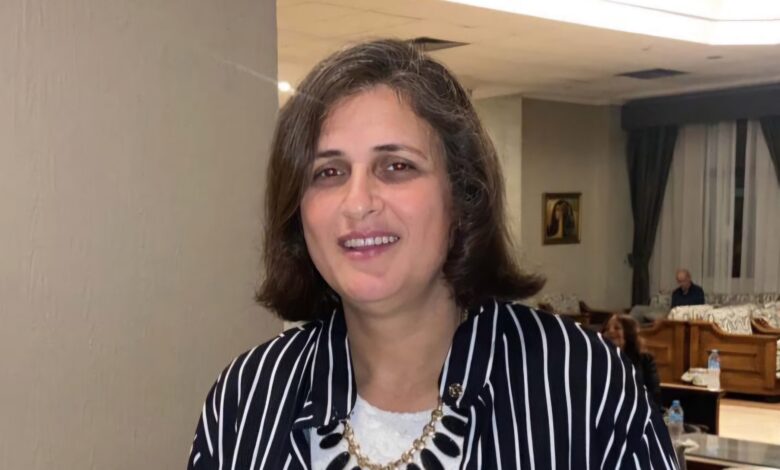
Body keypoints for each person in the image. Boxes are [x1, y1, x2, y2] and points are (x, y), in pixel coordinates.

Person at [186, 39, 677, 469]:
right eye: (328, 173)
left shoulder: (580, 382)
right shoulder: (248, 395)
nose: (357, 203)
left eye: (396, 166)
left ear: (462, 196)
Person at [603, 314, 662, 410]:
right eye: (606, 329)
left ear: (629, 334)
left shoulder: (645, 359)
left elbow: (654, 395)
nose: (610, 331)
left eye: (617, 328)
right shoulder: (597, 359)